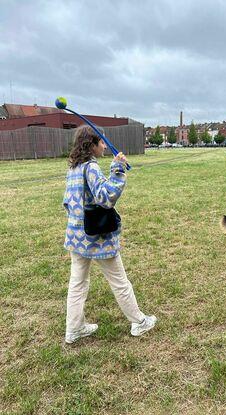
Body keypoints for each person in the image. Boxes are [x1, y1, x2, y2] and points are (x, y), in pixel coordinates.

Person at [63, 125, 157, 344]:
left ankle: (74, 329)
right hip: (97, 238)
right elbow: (106, 197)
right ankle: (139, 322)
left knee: (77, 283)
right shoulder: (91, 167)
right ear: (92, 145)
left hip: (76, 237)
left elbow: (67, 202)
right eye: (102, 142)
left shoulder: (74, 168)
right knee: (119, 281)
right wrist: (117, 170)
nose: (104, 145)